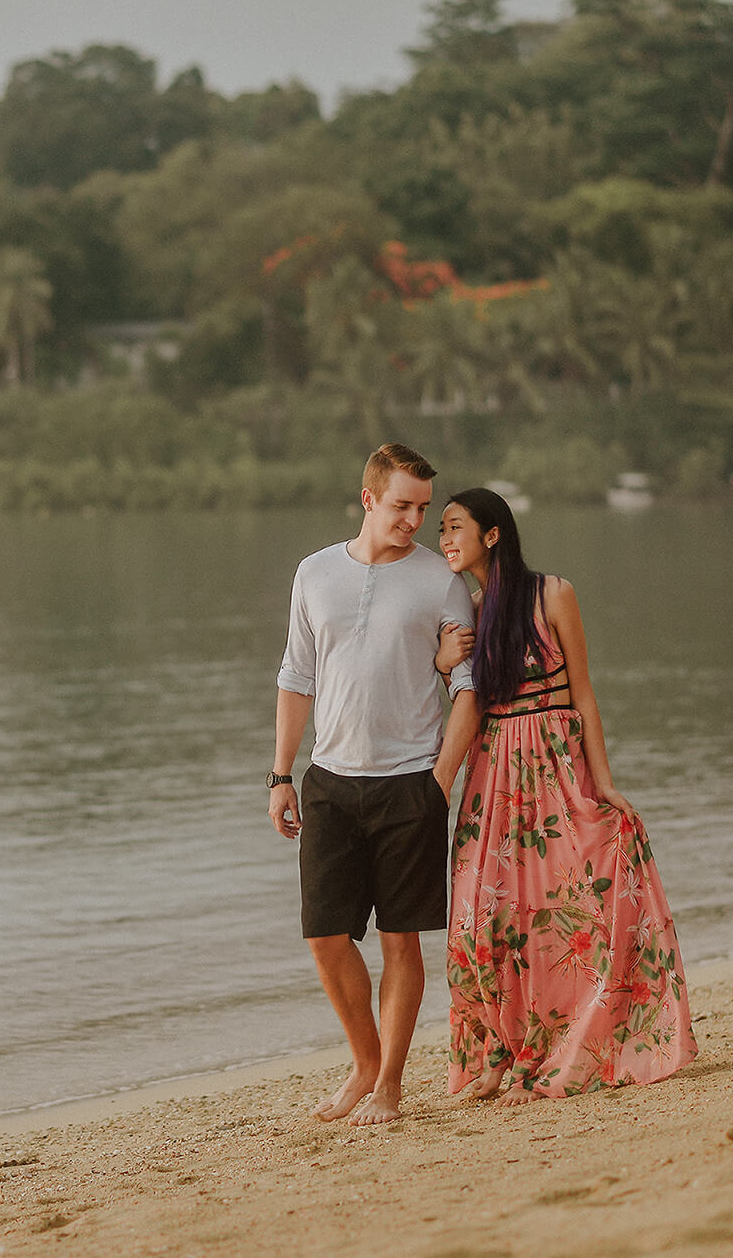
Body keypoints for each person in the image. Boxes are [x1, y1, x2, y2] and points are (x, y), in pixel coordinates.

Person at [434, 486, 696, 1106]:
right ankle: (494, 1053)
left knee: (559, 911)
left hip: (553, 764)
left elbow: (583, 692)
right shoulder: (466, 611)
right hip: (492, 770)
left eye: (453, 528)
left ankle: (545, 1054)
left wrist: (602, 782)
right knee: (478, 916)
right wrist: (444, 663)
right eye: (440, 531)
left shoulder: (553, 593)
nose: (443, 541)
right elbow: (458, 700)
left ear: (491, 534)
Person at [268, 443, 481, 1126]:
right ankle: (364, 1062)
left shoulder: (440, 582)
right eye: (401, 506)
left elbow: (468, 691)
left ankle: (388, 1084)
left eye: (422, 507)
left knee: (399, 942)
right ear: (369, 499)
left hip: (408, 785)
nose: (415, 520)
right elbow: (296, 678)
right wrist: (280, 776)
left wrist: (439, 782)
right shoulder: (314, 573)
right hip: (329, 780)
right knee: (326, 936)